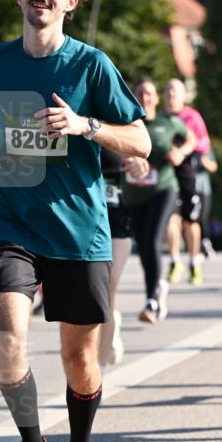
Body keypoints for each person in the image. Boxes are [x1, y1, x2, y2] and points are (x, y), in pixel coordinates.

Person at [0, 0, 150, 442]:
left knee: (80, 360)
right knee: (6, 340)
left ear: (70, 1)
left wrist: (85, 125)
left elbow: (141, 141)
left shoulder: (91, 66)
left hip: (77, 230)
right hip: (9, 221)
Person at [121, 78, 191, 323]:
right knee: (144, 245)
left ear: (156, 98)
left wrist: (181, 152)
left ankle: (151, 300)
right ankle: (157, 287)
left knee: (152, 237)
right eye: (140, 92)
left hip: (163, 188)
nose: (145, 97)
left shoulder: (168, 122)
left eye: (149, 93)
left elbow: (191, 138)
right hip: (134, 192)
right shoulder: (124, 123)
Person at [163, 78, 207, 285]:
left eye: (175, 91)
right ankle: (174, 261)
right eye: (168, 91)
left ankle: (194, 261)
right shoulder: (160, 117)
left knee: (191, 220)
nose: (171, 95)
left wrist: (182, 151)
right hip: (165, 173)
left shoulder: (192, 116)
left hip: (187, 171)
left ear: (183, 96)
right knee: (171, 216)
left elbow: (203, 143)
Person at [97, 146, 132, 366]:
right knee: (88, 296)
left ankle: (97, 370)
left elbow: (141, 151)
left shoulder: (119, 117)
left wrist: (139, 164)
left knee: (107, 286)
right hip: (83, 220)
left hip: (117, 223)